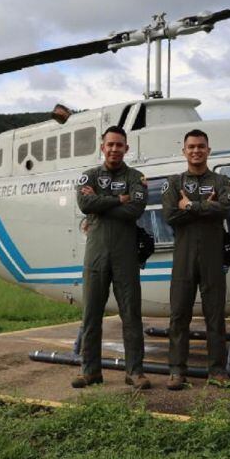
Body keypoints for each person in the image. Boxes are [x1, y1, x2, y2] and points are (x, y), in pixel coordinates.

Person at [72, 126, 150, 390]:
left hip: (125, 255)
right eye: (110, 144)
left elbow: (135, 210)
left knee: (131, 314)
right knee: (91, 314)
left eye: (120, 145)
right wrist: (119, 198)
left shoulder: (136, 177)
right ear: (102, 146)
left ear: (126, 148)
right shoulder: (88, 176)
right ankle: (90, 371)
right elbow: (85, 205)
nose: (115, 149)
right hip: (95, 255)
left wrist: (102, 203)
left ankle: (135, 372)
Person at [161, 129, 230, 390]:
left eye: (201, 146)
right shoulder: (174, 182)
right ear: (184, 151)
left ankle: (217, 371)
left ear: (208, 150)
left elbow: (225, 209)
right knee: (179, 314)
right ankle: (176, 371)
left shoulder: (222, 181)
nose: (196, 151)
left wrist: (191, 206)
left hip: (213, 256)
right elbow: (170, 215)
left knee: (215, 315)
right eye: (191, 147)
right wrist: (207, 208)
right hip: (184, 257)